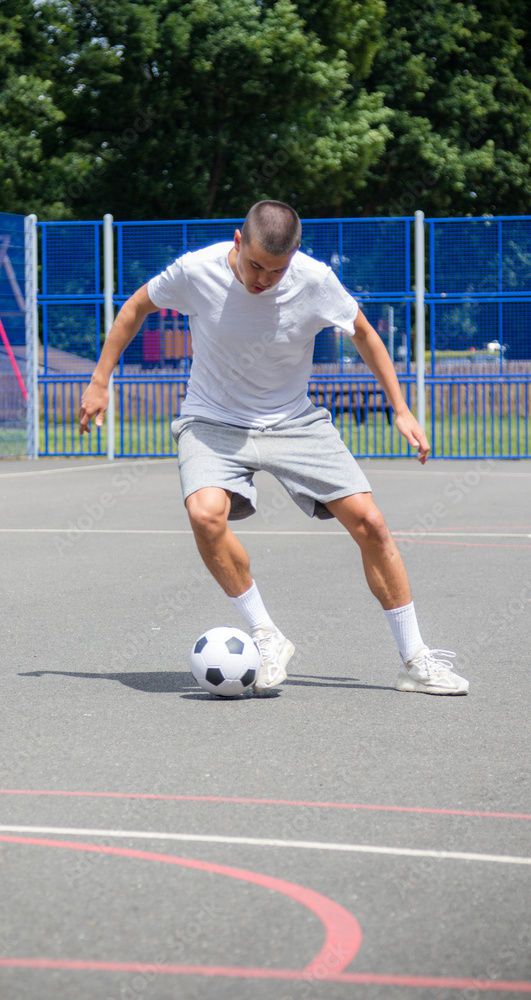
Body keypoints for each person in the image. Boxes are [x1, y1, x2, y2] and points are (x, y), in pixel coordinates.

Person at [79, 200, 468, 696]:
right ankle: (265, 633)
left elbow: (365, 335)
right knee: (204, 515)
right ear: (238, 243)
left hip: (294, 421)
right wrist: (99, 380)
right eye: (255, 265)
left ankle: (416, 659)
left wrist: (402, 408)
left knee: (370, 523)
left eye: (276, 271)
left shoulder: (315, 280)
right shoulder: (195, 271)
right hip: (212, 420)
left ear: (295, 258)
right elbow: (135, 308)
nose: (263, 279)